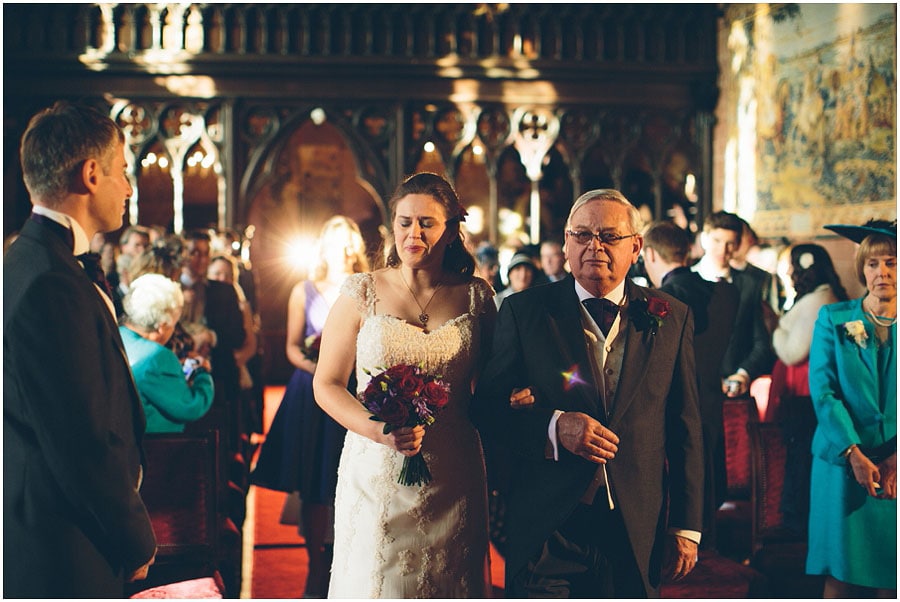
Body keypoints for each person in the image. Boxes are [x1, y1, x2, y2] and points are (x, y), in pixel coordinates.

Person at [474, 189, 704, 597]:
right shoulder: (524, 313)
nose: (593, 246)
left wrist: (685, 525)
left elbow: (685, 425)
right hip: (550, 523)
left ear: (636, 247)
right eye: (581, 235)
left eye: (608, 236)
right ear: (565, 244)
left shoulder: (671, 316)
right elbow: (488, 411)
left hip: (635, 523)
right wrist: (553, 427)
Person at [312, 172, 496, 597]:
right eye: (404, 221)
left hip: (454, 468)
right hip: (376, 469)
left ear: (451, 231)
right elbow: (327, 384)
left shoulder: (476, 298)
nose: (413, 233)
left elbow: (491, 387)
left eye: (427, 223)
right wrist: (380, 431)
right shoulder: (361, 293)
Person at [4, 100, 156, 596]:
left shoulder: (28, 262)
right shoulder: (50, 282)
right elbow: (80, 439)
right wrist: (136, 541)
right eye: (123, 172)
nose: (129, 188)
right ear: (92, 174)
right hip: (65, 543)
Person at [251, 215, 370, 598]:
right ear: (325, 249)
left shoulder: (368, 290)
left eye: (349, 243)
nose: (343, 251)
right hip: (313, 392)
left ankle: (347, 554)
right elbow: (290, 346)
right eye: (336, 243)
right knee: (314, 480)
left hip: (357, 390)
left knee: (353, 475)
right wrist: (322, 369)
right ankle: (316, 562)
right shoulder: (304, 290)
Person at [806, 220, 896, 598]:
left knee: (890, 576)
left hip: (894, 467)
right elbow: (823, 392)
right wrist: (853, 452)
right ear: (862, 268)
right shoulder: (835, 318)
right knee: (841, 572)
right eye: (873, 264)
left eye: (891, 262)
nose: (882, 273)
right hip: (842, 465)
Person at [642, 219, 739, 552]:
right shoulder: (726, 294)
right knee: (706, 488)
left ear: (650, 254)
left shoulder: (660, 301)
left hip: (669, 410)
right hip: (711, 403)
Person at [766, 243, 848, 536]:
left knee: (801, 455)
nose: (789, 271)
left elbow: (793, 352)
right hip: (803, 393)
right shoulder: (820, 297)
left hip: (804, 394)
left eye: (792, 265)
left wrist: (775, 328)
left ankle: (797, 523)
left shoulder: (817, 302)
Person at [692, 211, 774, 399]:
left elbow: (760, 342)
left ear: (738, 245)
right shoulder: (684, 282)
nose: (723, 250)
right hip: (694, 390)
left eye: (730, 243)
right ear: (704, 239)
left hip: (734, 389)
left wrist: (743, 374)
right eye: (717, 241)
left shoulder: (749, 285)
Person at [120, 273, 215, 433]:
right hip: (157, 449)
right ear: (162, 326)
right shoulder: (157, 357)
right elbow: (190, 406)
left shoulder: (118, 335)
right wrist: (202, 373)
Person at [208, 253, 261, 436]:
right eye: (217, 274)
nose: (222, 279)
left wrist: (230, 361)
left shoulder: (241, 303)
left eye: (228, 275)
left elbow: (250, 345)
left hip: (232, 369)